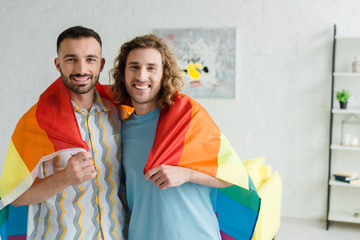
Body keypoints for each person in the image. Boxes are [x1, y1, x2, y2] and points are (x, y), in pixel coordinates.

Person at [111, 34, 260, 240]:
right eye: (134, 67)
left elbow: (235, 177)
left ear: (164, 73)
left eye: (151, 67)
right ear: (123, 73)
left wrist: (187, 174)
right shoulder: (121, 129)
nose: (142, 76)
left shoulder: (189, 117)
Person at [0, 26, 126, 239]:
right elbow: (15, 196)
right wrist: (64, 178)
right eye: (71, 59)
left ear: (101, 64)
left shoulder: (121, 111)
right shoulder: (35, 121)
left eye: (90, 59)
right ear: (58, 64)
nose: (81, 69)